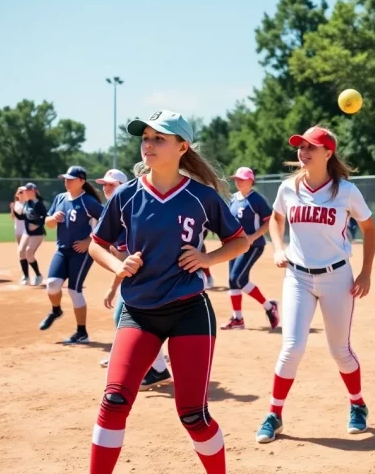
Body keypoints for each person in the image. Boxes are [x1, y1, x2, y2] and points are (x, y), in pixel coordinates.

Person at [87, 110, 249, 474]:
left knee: (193, 415)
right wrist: (118, 266)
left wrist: (208, 256)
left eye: (159, 138)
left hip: (188, 310)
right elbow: (97, 243)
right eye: (145, 138)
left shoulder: (201, 196)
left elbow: (238, 241)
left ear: (182, 147)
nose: (148, 144)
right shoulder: (126, 195)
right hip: (139, 312)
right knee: (113, 401)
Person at [256, 125, 375, 444]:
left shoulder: (346, 191)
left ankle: (357, 404)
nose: (304, 152)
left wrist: (365, 273)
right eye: (301, 146)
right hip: (297, 276)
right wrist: (278, 247)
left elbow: (369, 228)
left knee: (340, 350)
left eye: (312, 147)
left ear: (328, 153)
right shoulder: (287, 188)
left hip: (337, 277)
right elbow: (276, 219)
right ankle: (274, 413)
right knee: (292, 347)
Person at [96, 167, 172, 391]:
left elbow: (126, 260)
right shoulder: (114, 210)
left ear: (122, 187)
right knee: (125, 319)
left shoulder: (125, 213)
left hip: (142, 278)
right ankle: (150, 364)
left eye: (111, 184)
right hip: (136, 277)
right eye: (104, 184)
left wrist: (112, 288)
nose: (105, 187)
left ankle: (156, 368)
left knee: (128, 318)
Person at [39, 166, 104, 344]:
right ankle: (56, 310)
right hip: (62, 250)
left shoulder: (88, 201)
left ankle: (81, 333)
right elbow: (48, 223)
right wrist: (52, 219)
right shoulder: (60, 198)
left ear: (81, 181)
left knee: (74, 290)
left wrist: (89, 241)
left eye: (71, 179)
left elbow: (107, 222)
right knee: (52, 285)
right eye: (65, 179)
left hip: (81, 253)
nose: (67, 182)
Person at [220, 166, 279, 331]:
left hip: (253, 246)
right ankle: (238, 319)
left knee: (238, 279)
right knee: (233, 281)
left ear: (250, 181)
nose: (238, 182)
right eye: (236, 179)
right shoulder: (233, 198)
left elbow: (269, 221)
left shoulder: (256, 200)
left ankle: (269, 307)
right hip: (234, 245)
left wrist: (253, 237)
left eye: (242, 179)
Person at [13, 182, 47, 285]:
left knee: (28, 252)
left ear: (34, 191)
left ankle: (38, 275)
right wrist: (14, 210)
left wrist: (38, 225)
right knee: (21, 251)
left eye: (28, 190)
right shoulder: (28, 203)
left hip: (37, 233)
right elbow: (22, 217)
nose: (26, 192)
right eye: (25, 190)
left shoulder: (39, 204)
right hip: (27, 232)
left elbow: (46, 218)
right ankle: (26, 277)